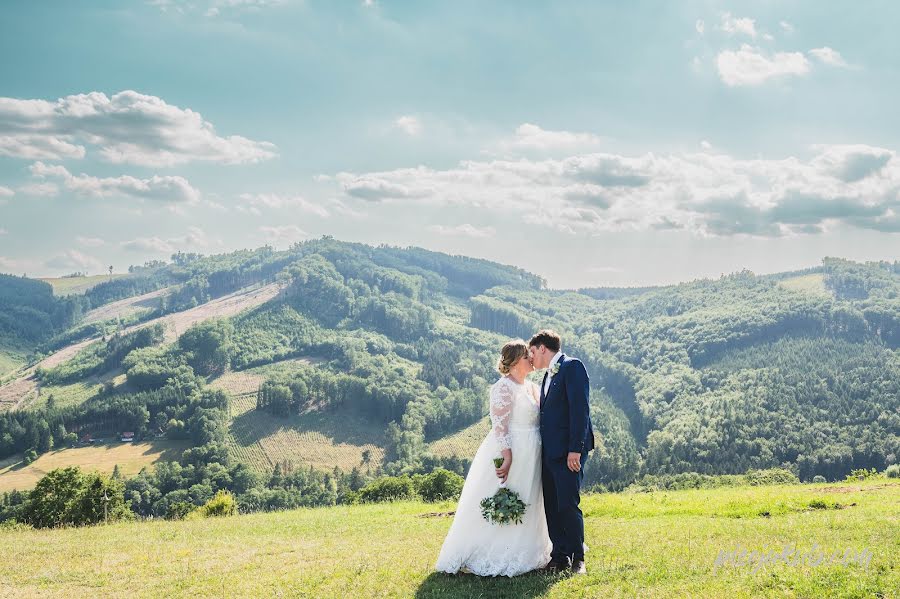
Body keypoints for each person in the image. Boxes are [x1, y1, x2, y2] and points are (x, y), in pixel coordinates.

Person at [434, 339, 552, 577]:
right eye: (527, 356)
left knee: (529, 497)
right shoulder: (503, 387)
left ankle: (527, 550)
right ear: (517, 360)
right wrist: (506, 456)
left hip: (533, 451)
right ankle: (494, 552)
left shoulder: (530, 387)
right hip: (514, 450)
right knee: (508, 493)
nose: (532, 359)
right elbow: (500, 426)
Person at [528, 329, 595, 575]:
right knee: (552, 506)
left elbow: (580, 411)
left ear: (543, 348)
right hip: (548, 453)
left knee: (568, 504)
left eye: (533, 352)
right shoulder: (546, 377)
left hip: (569, 452)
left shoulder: (572, 367)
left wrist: (575, 450)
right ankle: (559, 557)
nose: (531, 357)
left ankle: (578, 558)